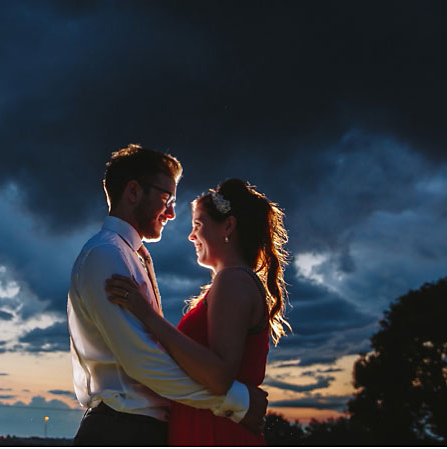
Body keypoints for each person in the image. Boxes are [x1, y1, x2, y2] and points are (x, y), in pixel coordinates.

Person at [68, 145, 268, 446]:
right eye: (167, 198)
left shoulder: (132, 256)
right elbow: (143, 360)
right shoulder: (107, 255)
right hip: (121, 430)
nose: (172, 213)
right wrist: (235, 403)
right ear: (133, 192)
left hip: (139, 428)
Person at [105, 178, 290, 445]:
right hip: (207, 426)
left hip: (215, 433)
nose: (191, 236)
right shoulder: (231, 282)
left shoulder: (233, 281)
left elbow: (218, 377)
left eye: (198, 225)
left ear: (228, 226)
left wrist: (146, 315)